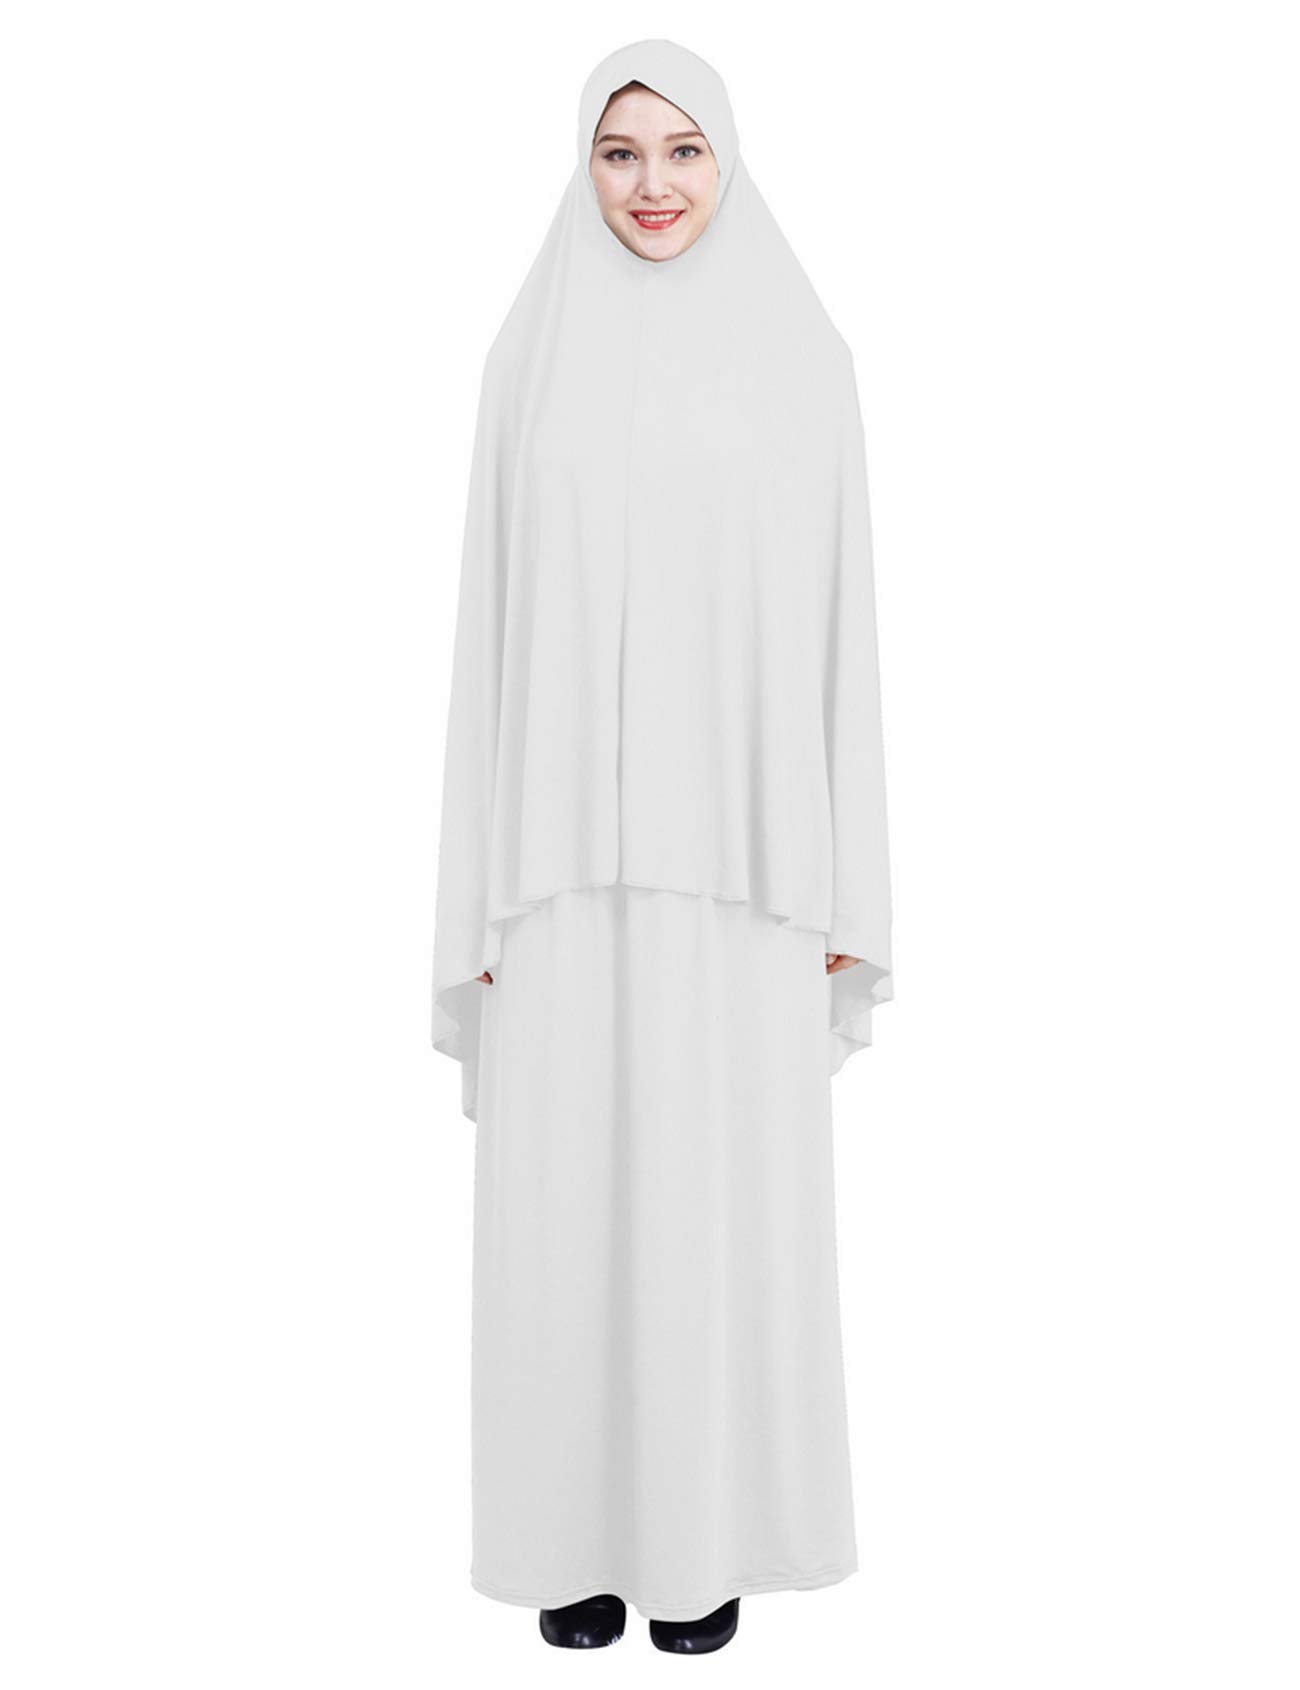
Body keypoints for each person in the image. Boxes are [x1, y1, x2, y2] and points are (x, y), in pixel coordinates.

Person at [431, 39, 893, 1654]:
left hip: (744, 882)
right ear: (584, 166)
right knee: (564, 1209)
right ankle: (567, 1543)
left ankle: (703, 1552)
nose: (651, 184)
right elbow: (489, 639)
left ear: (729, 160)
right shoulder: (529, 362)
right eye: (619, 152)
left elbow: (842, 631)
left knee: (718, 1204)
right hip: (561, 875)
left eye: (683, 150)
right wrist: (479, 889)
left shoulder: (804, 361)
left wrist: (846, 877)